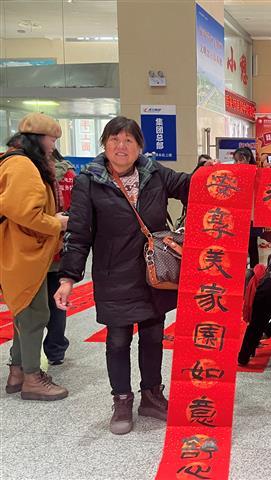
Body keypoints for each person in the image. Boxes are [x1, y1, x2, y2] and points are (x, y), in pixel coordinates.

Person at [54, 116, 199, 435]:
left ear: (139, 146)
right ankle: (122, 399)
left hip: (154, 274)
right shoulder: (89, 181)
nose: (121, 146)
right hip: (113, 275)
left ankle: (152, 395)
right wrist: (67, 278)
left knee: (153, 336)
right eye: (115, 139)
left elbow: (192, 186)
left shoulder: (155, 173)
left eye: (129, 140)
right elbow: (78, 233)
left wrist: (217, 174)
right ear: (104, 144)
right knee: (118, 340)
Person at [0, 112, 69, 401]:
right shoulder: (23, 165)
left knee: (25, 311)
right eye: (52, 139)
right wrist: (57, 223)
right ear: (37, 139)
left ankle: (17, 373)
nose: (53, 146)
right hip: (23, 252)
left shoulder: (16, 160)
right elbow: (26, 212)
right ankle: (32, 378)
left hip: (24, 251)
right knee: (33, 314)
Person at [44, 149, 76, 365]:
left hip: (36, 250)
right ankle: (56, 351)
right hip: (61, 247)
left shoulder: (35, 175)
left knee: (29, 306)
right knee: (58, 303)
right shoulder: (70, 175)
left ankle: (21, 354)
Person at [233, 147, 261, 267]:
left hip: (252, 216)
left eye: (240, 159)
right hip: (238, 216)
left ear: (248, 159)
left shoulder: (256, 173)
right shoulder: (233, 173)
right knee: (239, 246)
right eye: (236, 160)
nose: (238, 163)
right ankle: (240, 269)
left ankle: (255, 272)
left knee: (252, 245)